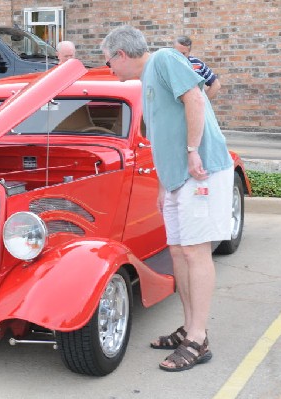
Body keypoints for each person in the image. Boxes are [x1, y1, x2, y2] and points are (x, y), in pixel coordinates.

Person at [101, 26, 234, 372]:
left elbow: (194, 98)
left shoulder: (164, 58)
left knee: (195, 251)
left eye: (109, 62)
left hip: (200, 171)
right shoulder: (145, 81)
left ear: (121, 55)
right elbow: (159, 134)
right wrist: (164, 182)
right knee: (177, 252)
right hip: (177, 180)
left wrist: (192, 151)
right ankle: (189, 327)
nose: (110, 71)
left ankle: (199, 339)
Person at [173, 35, 222, 100]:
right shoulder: (167, 64)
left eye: (183, 53)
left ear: (189, 52)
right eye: (177, 53)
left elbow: (216, 85)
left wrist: (203, 103)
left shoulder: (197, 64)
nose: (180, 56)